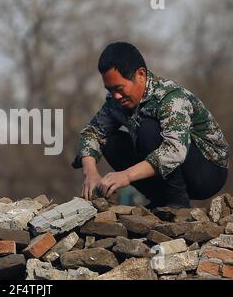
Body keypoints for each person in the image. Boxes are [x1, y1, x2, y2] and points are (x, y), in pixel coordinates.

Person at [72, 42, 229, 208]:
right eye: (110, 90)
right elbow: (91, 133)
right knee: (110, 141)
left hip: (208, 173)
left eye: (119, 88)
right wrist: (90, 172)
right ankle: (160, 201)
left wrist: (125, 176)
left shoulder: (171, 98)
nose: (116, 95)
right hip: (171, 171)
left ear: (140, 74)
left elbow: (175, 150)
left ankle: (178, 204)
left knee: (148, 130)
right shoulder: (117, 102)